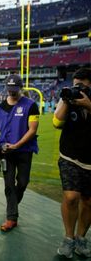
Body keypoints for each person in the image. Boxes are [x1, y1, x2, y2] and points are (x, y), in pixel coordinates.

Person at [0, 74, 39, 232]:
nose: (11, 92)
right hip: (5, 152)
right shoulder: (1, 106)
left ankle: (12, 206)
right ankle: (12, 217)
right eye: (9, 89)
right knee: (9, 184)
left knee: (23, 182)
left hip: (24, 151)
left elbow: (33, 130)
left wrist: (17, 145)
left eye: (15, 89)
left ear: (21, 88)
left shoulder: (31, 105)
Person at [54, 68, 91, 259]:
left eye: (82, 85)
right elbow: (56, 122)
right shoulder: (68, 98)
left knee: (88, 201)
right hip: (69, 156)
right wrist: (67, 100)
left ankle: (81, 238)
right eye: (76, 85)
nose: (78, 89)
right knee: (71, 197)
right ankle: (69, 238)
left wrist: (89, 105)